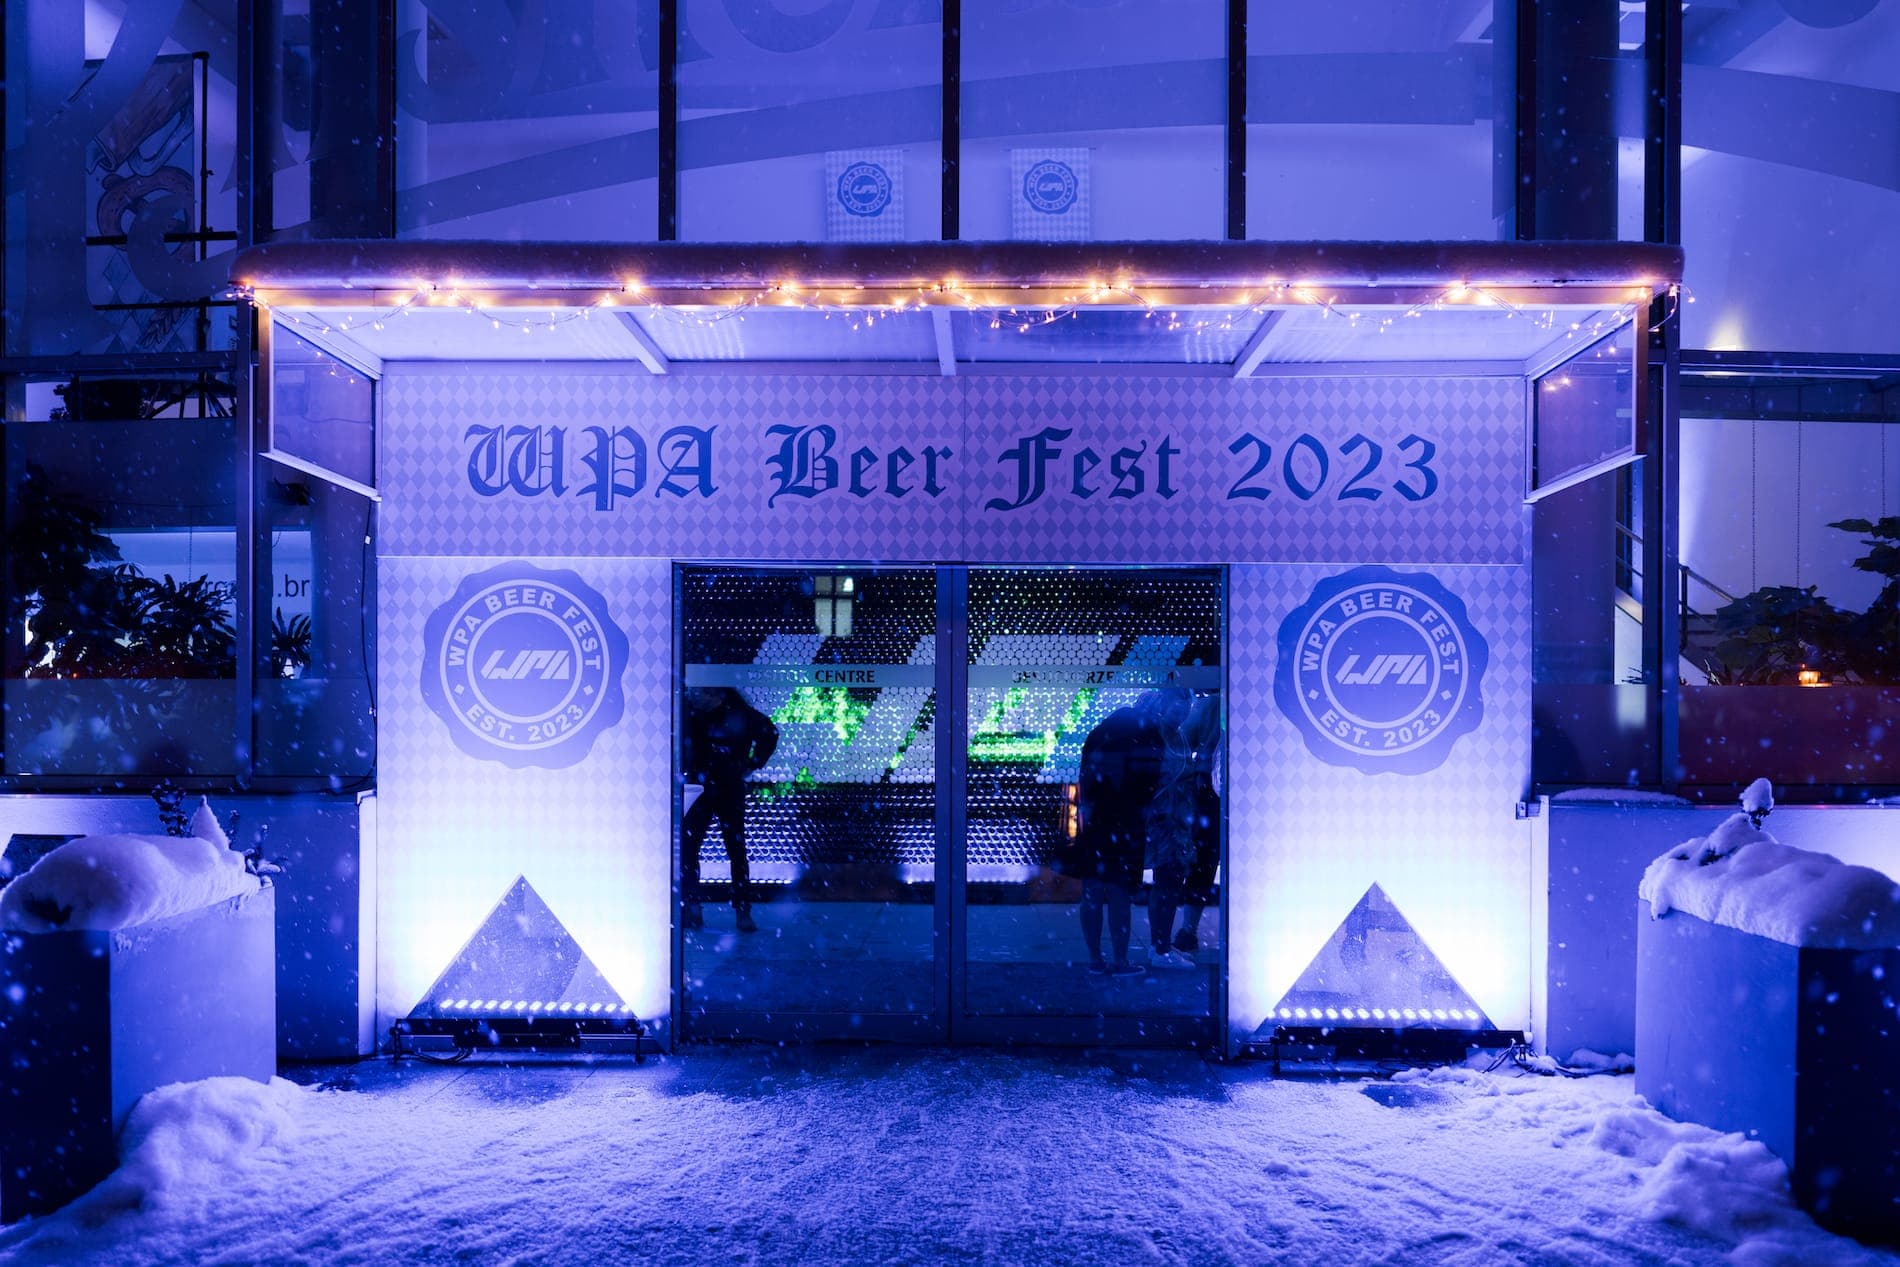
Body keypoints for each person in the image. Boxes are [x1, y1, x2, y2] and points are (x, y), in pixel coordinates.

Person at [1069, 692, 1167, 976]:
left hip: (1096, 821)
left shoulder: (1099, 732)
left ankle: (1094, 959)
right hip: (1128, 823)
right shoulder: (1148, 736)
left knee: (1092, 891)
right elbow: (1151, 781)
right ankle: (1120, 961)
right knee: (1119, 890)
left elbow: (1085, 776)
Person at [680, 686, 778, 933]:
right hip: (701, 787)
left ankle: (740, 909)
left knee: (734, 849)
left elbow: (770, 733)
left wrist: (752, 763)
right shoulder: (692, 714)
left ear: (715, 695)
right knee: (690, 848)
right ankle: (693, 906)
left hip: (725, 787)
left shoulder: (739, 715)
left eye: (702, 694)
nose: (696, 698)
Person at [1147, 689, 1222, 963]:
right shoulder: (1211, 707)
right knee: (1182, 870)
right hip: (1188, 807)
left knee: (1184, 869)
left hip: (1190, 805)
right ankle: (1165, 943)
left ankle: (1167, 942)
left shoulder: (1203, 712)